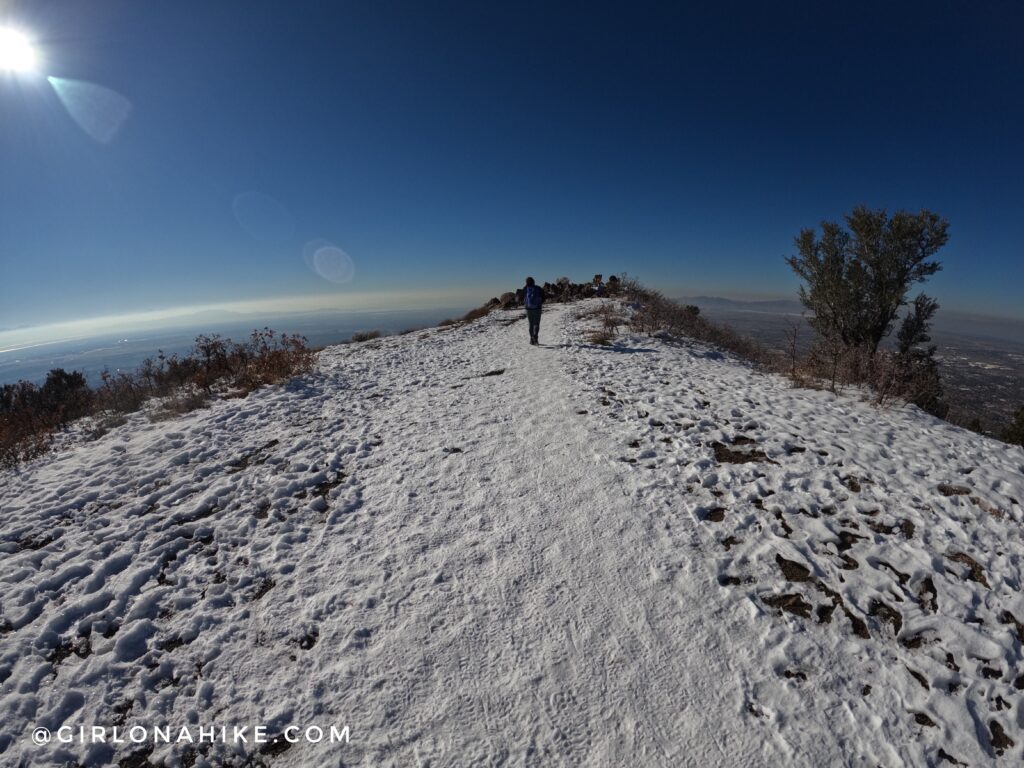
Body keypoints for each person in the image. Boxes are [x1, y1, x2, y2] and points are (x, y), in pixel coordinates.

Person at [523, 276, 545, 345]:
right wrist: (540, 303)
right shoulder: (538, 288)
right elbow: (544, 297)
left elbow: (521, 297)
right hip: (537, 309)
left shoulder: (525, 288)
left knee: (531, 324)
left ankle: (531, 338)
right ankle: (535, 337)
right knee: (536, 324)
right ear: (534, 281)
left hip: (529, 309)